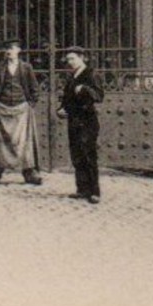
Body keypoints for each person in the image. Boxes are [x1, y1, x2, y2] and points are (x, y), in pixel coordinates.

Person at [0, 38, 43, 186]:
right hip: (2, 108)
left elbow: (35, 88)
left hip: (22, 109)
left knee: (25, 141)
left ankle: (29, 173)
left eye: (12, 48)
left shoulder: (26, 68)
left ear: (18, 51)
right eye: (7, 49)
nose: (9, 51)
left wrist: (30, 105)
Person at [57, 46, 105, 203]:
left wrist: (84, 88)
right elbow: (66, 99)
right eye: (68, 59)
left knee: (89, 155)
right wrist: (61, 110)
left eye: (73, 58)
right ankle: (82, 189)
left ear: (82, 58)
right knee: (77, 156)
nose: (70, 62)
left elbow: (99, 96)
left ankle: (94, 191)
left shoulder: (91, 74)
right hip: (73, 120)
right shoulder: (72, 76)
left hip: (87, 121)